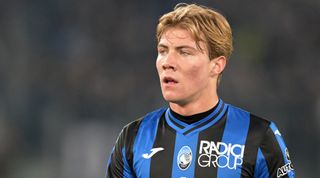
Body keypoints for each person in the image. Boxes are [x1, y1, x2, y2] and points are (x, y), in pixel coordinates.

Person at [106, 3, 295, 178]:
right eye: (163, 51)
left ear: (216, 65)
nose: (167, 63)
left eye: (184, 52)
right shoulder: (133, 137)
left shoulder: (259, 136)